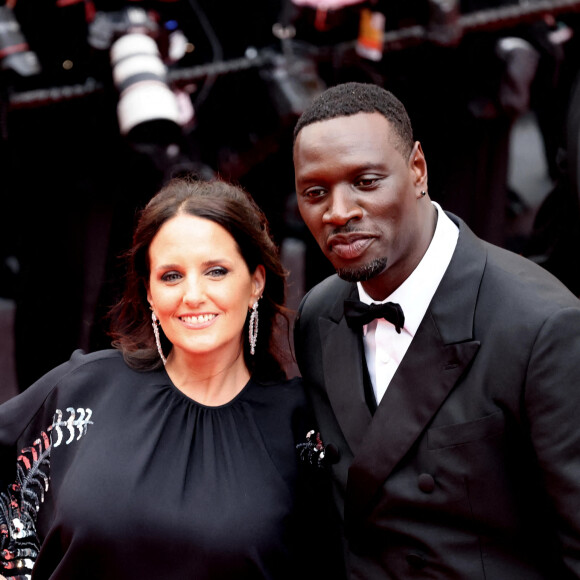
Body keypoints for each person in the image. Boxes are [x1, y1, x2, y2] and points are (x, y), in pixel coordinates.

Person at [292, 82, 580, 578]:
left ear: (417, 171)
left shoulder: (541, 325)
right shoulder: (317, 315)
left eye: (365, 180)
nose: (338, 212)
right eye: (315, 192)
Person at [0, 176, 337, 579]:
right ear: (149, 293)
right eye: (171, 276)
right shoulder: (83, 388)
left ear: (256, 283)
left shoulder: (300, 426)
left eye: (215, 271)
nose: (192, 294)